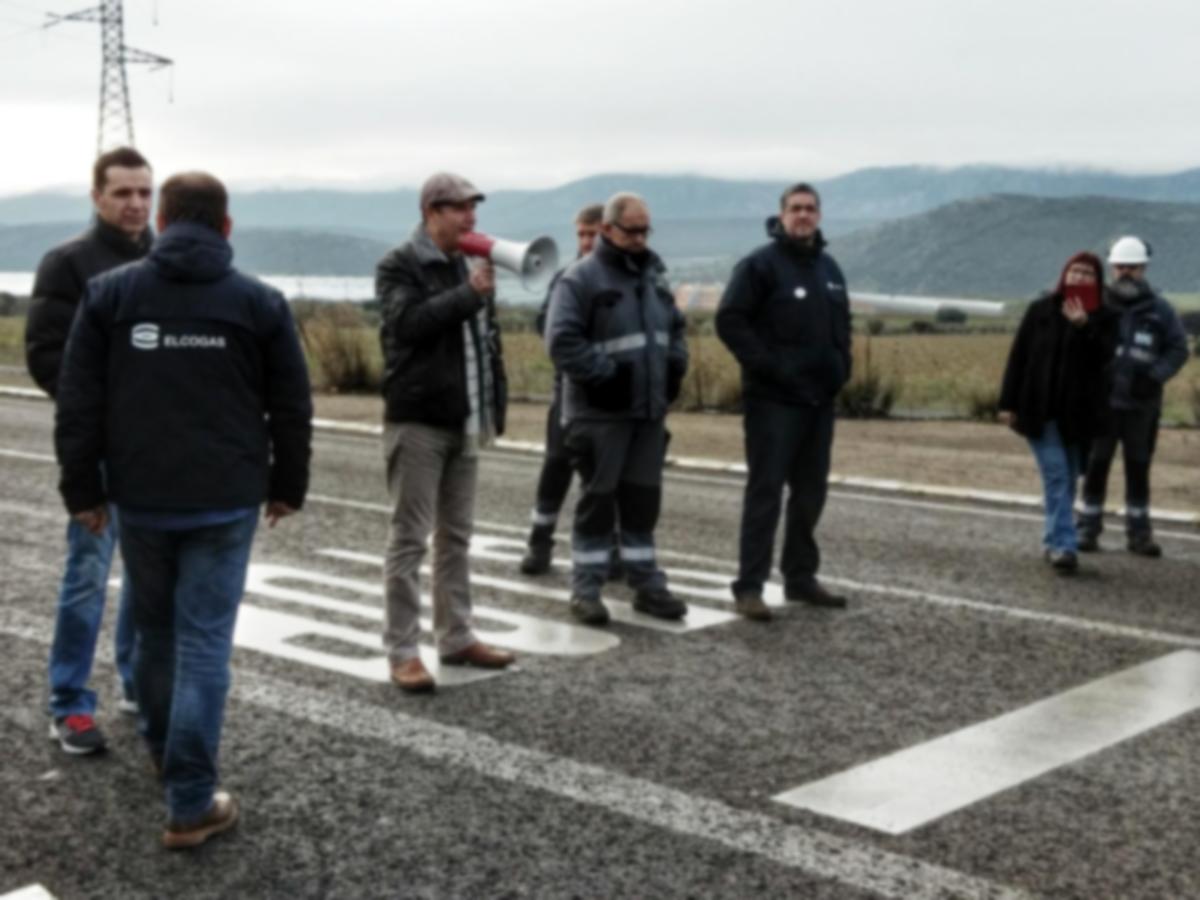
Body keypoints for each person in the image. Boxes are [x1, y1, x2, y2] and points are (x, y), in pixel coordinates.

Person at [55, 171, 312, 849]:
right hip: (225, 500)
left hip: (140, 498)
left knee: (159, 636)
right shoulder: (260, 302)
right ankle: (191, 798)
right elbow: (291, 406)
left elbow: (79, 403)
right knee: (202, 643)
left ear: (161, 223)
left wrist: (82, 491)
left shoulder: (110, 294)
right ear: (226, 228)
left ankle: (170, 758)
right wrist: (289, 484)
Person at [25, 146, 152, 754]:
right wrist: (112, 415)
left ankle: (137, 682)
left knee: (150, 578)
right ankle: (70, 705)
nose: (135, 204)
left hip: (159, 454)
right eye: (123, 192)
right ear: (97, 196)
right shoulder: (69, 263)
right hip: (100, 448)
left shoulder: (164, 259)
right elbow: (49, 360)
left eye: (145, 192)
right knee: (87, 576)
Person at [375, 172, 515, 692]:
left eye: (472, 208)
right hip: (417, 421)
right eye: (459, 208)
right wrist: (468, 294)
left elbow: (482, 344)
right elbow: (405, 324)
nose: (471, 218)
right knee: (409, 540)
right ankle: (403, 650)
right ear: (432, 211)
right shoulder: (399, 264)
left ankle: (456, 636)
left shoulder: (467, 264)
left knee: (456, 537)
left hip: (465, 420)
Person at [546, 192, 689, 626]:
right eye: (632, 230)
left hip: (646, 415)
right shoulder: (580, 279)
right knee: (598, 504)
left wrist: (674, 370)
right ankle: (585, 589)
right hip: (599, 417)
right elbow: (561, 342)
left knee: (643, 503)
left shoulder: (655, 278)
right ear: (608, 229)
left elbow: (676, 330)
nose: (641, 238)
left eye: (646, 230)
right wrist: (608, 377)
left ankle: (646, 583)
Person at [715, 182, 851, 622]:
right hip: (773, 402)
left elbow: (841, 325)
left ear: (820, 215)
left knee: (811, 493)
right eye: (796, 209)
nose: (803, 216)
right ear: (781, 215)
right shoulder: (760, 266)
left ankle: (800, 577)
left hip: (818, 402)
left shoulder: (829, 268)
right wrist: (772, 367)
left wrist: (841, 366)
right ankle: (750, 587)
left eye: (810, 208)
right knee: (766, 493)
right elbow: (730, 320)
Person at [1077, 236, 1189, 557]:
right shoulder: (1096, 305)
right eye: (1121, 266)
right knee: (1096, 465)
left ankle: (1139, 534)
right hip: (1104, 404)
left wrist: (1154, 377)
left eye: (1133, 267)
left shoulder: (1160, 309)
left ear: (1144, 268)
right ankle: (1088, 528)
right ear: (1112, 268)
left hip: (1141, 407)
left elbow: (1178, 348)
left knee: (1138, 467)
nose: (1126, 272)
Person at [998, 253, 1109, 573]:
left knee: (1069, 478)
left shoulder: (1104, 317)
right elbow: (1018, 356)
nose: (1080, 276)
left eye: (1088, 273)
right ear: (1064, 274)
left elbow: (1107, 356)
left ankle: (1052, 539)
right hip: (1039, 410)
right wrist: (1007, 403)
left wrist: (1084, 327)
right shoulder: (1040, 310)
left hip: (1079, 416)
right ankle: (1064, 546)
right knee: (1058, 475)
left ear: (1097, 281)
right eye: (1075, 270)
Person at [519, 203, 609, 576]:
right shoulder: (566, 277)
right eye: (582, 235)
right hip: (568, 395)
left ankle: (611, 548)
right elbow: (546, 325)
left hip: (611, 400)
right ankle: (539, 542)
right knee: (556, 466)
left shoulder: (626, 276)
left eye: (594, 234)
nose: (587, 242)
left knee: (606, 478)